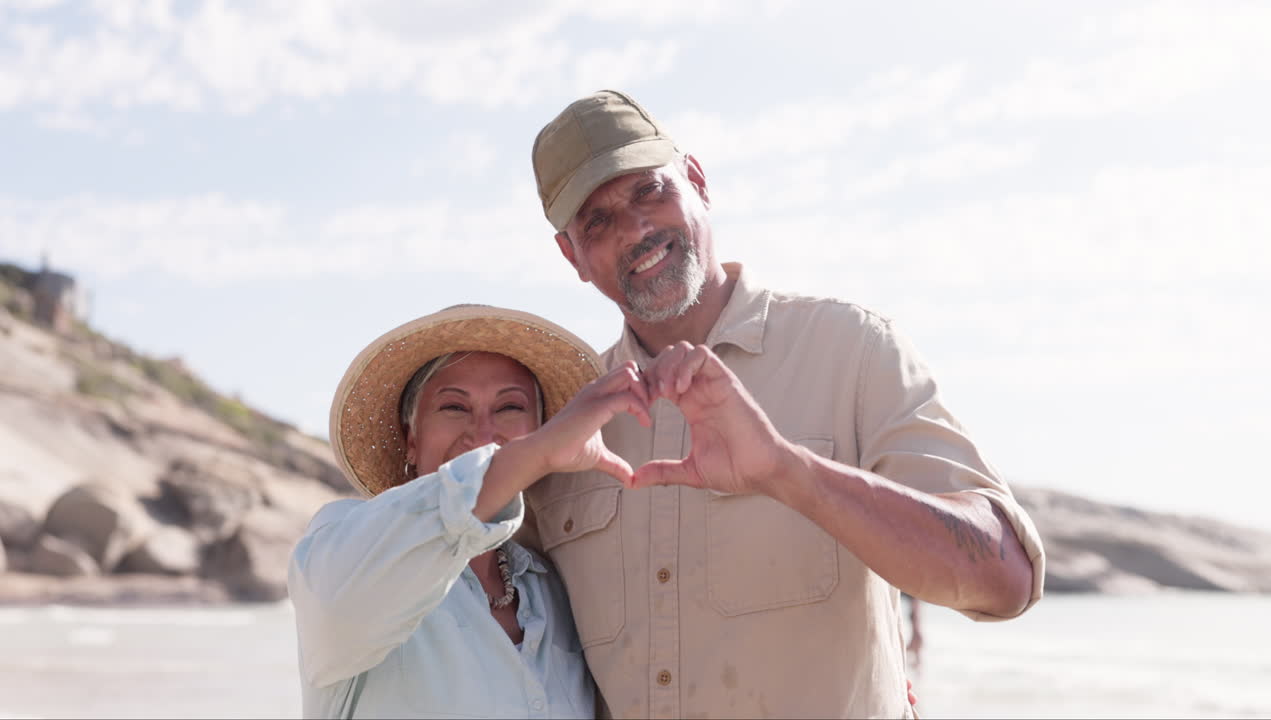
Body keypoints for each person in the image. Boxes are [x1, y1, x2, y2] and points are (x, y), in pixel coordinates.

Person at [525, 90, 1048, 718]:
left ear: (697, 181)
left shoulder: (852, 351)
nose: (635, 230)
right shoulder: (567, 425)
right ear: (572, 256)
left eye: (648, 192)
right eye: (597, 222)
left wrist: (787, 470)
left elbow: (1006, 581)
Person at [288, 305, 654, 718]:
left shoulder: (549, 589)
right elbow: (340, 611)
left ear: (540, 426)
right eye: (454, 407)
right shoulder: (348, 545)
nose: (483, 435)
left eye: (510, 408)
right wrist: (530, 454)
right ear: (411, 438)